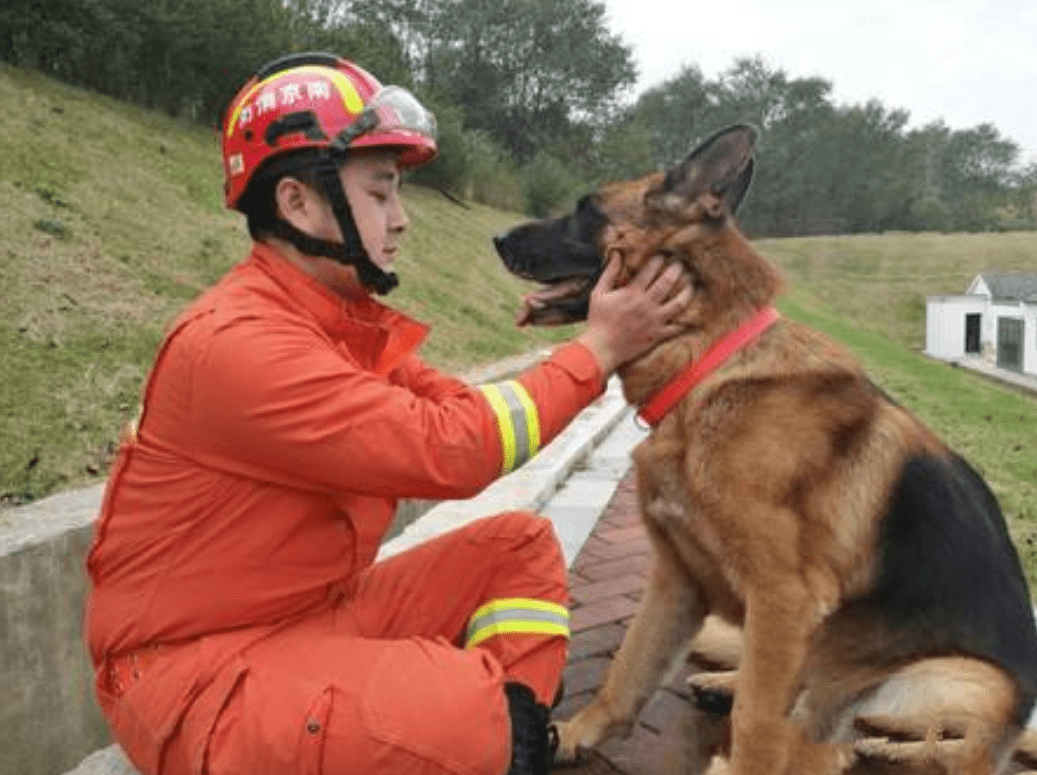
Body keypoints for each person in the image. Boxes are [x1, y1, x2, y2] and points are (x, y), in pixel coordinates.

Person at [85, 52, 691, 775]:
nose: (400, 220)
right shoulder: (239, 344)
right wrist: (599, 348)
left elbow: (461, 412)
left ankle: (507, 731)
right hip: (197, 675)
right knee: (466, 716)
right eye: (380, 193)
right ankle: (492, 730)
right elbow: (454, 448)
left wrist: (580, 332)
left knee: (517, 548)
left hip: (309, 616)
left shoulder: (331, 323)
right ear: (297, 204)